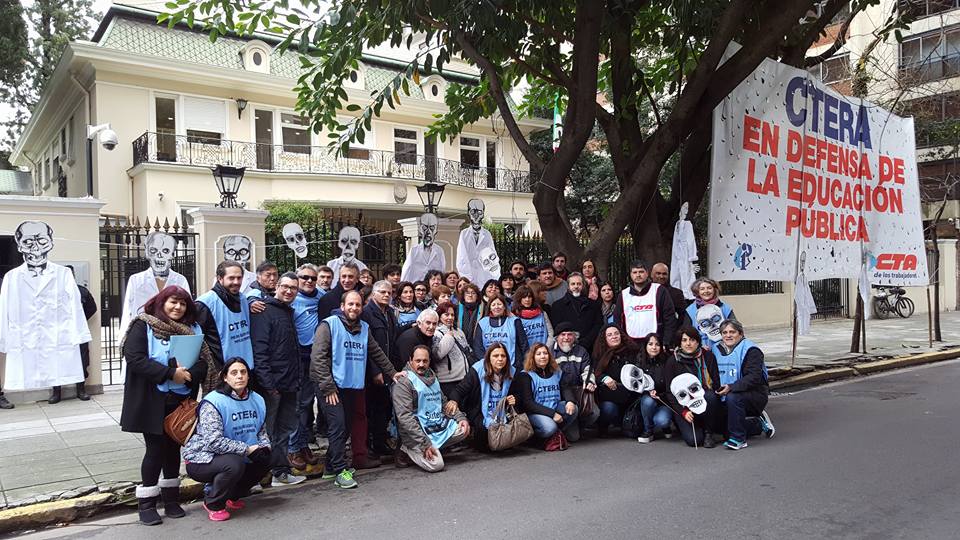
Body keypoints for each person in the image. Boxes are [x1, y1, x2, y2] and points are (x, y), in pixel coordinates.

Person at [120, 286, 210, 525]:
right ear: (162, 302)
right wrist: (170, 374)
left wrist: (190, 374)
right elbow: (135, 358)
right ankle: (147, 504)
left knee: (173, 450)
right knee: (155, 450)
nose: (178, 307)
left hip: (180, 401)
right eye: (173, 302)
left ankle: (171, 500)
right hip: (151, 400)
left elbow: (204, 361)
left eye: (183, 303)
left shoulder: (193, 328)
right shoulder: (143, 325)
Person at [310, 290, 402, 488]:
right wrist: (328, 387)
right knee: (338, 426)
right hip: (330, 385)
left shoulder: (364, 328)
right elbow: (318, 358)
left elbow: (376, 352)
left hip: (351, 384)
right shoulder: (328, 325)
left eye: (358, 305)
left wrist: (392, 373)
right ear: (342, 306)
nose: (354, 308)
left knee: (345, 427)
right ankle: (340, 470)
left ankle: (330, 466)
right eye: (350, 304)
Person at [182, 358, 271, 522]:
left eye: (243, 372)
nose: (239, 376)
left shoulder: (257, 399)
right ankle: (213, 502)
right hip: (202, 458)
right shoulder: (214, 401)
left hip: (239, 452)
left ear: (248, 376)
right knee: (234, 464)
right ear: (225, 377)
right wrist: (247, 449)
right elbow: (213, 442)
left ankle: (232, 495)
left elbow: (261, 431)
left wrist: (264, 447)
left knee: (269, 458)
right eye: (234, 373)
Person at [250, 273, 305, 486]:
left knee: (284, 430)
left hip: (290, 383)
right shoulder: (264, 310)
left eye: (293, 288)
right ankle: (255, 476)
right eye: (285, 286)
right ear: (277, 287)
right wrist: (269, 385)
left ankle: (280, 473)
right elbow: (260, 350)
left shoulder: (288, 311)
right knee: (267, 432)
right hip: (272, 385)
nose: (289, 291)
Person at [392, 345, 470, 471]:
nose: (421, 364)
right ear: (410, 360)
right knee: (437, 465)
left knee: (463, 429)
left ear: (429, 361)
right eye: (418, 361)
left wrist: (460, 418)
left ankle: (433, 447)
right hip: (416, 434)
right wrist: (424, 444)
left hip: (434, 426)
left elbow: (444, 403)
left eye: (425, 361)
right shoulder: (404, 382)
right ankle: (407, 448)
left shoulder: (432, 376)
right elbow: (405, 418)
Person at [714, 320, 774, 450]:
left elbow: (753, 377)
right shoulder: (716, 348)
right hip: (724, 394)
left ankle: (739, 439)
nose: (728, 335)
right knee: (723, 430)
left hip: (752, 394)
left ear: (741, 334)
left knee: (733, 397)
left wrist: (731, 387)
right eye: (724, 332)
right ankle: (756, 423)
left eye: (732, 332)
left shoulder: (751, 350)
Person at [119, 231, 191, 337]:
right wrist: (124, 338)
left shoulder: (180, 280)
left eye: (166, 251)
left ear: (172, 255)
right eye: (153, 250)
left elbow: (188, 309)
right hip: (142, 334)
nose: (159, 255)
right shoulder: (136, 280)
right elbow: (127, 311)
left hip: (172, 334)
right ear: (147, 253)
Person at [446, 343, 515, 452]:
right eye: (495, 356)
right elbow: (460, 390)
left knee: (507, 439)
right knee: (484, 437)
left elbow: (517, 394)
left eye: (503, 356)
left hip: (502, 411)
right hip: (480, 410)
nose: (500, 359)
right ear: (488, 358)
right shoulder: (477, 370)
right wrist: (454, 401)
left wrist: (512, 399)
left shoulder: (511, 371)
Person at [196, 261, 254, 390]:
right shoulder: (205, 303)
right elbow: (195, 341)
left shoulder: (243, 299)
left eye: (239, 278)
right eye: (231, 278)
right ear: (220, 278)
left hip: (245, 370)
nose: (236, 282)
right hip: (221, 374)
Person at [664, 326, 723, 448]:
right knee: (694, 440)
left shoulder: (708, 356)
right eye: (684, 340)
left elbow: (716, 383)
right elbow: (669, 393)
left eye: (692, 340)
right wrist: (683, 412)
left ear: (697, 341)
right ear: (680, 343)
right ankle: (689, 425)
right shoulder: (672, 362)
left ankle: (709, 432)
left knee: (710, 396)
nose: (688, 344)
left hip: (705, 402)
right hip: (684, 406)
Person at [288, 264, 323, 469]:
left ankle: (302, 445)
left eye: (313, 278)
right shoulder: (291, 298)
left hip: (315, 358)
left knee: (307, 404)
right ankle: (293, 448)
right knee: (297, 406)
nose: (309, 281)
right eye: (304, 277)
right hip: (296, 358)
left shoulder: (321, 296)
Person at [362, 280, 400, 458]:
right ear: (374, 294)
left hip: (388, 368)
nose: (386, 295)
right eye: (382, 292)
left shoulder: (390, 313)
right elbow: (367, 345)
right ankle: (369, 445)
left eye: (389, 293)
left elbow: (393, 339)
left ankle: (380, 441)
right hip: (372, 370)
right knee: (371, 409)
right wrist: (375, 370)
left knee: (384, 407)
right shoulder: (366, 313)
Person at [515, 343, 580, 446]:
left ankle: (556, 434)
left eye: (545, 353)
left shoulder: (557, 372)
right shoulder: (526, 375)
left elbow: (565, 388)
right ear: (532, 357)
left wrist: (570, 401)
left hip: (554, 407)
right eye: (538, 354)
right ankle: (536, 440)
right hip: (535, 413)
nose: (543, 356)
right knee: (549, 428)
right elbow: (528, 403)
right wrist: (552, 414)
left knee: (573, 409)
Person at [592, 324, 643, 437]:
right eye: (609, 335)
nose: (614, 337)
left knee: (632, 432)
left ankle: (627, 424)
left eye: (616, 333)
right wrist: (604, 378)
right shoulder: (600, 353)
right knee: (608, 409)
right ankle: (604, 426)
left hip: (630, 395)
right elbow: (595, 374)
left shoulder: (632, 351)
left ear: (621, 335)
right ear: (605, 338)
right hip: (610, 396)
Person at [614, 260, 678, 347]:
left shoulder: (659, 290)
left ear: (647, 273)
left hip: (656, 344)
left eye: (641, 272)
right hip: (630, 344)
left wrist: (666, 341)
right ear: (631, 274)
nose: (638, 275)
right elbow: (618, 321)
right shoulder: (623, 295)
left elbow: (669, 318)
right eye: (635, 272)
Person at [59, 265, 97, 402]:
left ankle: (81, 390)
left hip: (78, 331)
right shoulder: (54, 292)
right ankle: (56, 392)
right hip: (60, 333)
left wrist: (80, 320)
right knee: (57, 361)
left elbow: (92, 308)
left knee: (81, 360)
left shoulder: (82, 291)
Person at [551, 322, 598, 430]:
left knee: (594, 413)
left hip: (578, 391)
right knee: (572, 417)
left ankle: (579, 426)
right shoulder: (550, 352)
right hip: (559, 394)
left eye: (569, 334)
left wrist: (589, 381)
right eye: (563, 335)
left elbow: (587, 370)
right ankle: (563, 430)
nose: (566, 338)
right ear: (557, 337)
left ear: (575, 336)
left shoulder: (581, 351)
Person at [550, 272, 603, 351]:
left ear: (583, 285)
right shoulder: (557, 306)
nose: (576, 286)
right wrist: (571, 340)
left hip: (590, 347)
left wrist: (586, 341)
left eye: (579, 284)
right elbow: (557, 327)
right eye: (573, 284)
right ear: (568, 286)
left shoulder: (593, 305)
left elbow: (598, 325)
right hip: (566, 347)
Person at [474, 295, 528, 371]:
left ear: (504, 307)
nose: (496, 307)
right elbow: (478, 347)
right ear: (490, 308)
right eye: (493, 305)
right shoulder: (482, 323)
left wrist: (522, 364)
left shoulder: (514, 321)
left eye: (499, 304)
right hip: (489, 368)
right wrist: (488, 364)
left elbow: (524, 344)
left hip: (513, 367)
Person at [636, 333, 672, 444]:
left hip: (663, 400)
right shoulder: (640, 361)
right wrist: (647, 392)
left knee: (663, 421)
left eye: (657, 344)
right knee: (648, 401)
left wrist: (659, 395)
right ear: (645, 346)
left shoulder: (667, 361)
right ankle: (648, 430)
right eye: (650, 344)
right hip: (646, 400)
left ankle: (666, 427)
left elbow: (671, 386)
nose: (654, 347)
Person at [432, 301, 473, 396]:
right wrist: (448, 337)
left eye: (452, 315)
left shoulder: (458, 331)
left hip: (464, 378)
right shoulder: (436, 333)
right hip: (447, 381)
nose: (450, 317)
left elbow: (467, 349)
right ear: (439, 316)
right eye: (446, 315)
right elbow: (437, 355)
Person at [685, 278, 737, 350]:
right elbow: (687, 332)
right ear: (697, 291)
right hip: (701, 348)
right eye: (702, 289)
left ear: (714, 290)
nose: (706, 291)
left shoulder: (725, 308)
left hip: (725, 347)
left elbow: (735, 328)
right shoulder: (690, 310)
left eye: (709, 288)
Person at [512, 285, 554, 349]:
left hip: (544, 351)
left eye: (529, 297)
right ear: (519, 298)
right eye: (524, 297)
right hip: (527, 353)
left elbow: (551, 333)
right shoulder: (515, 317)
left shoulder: (542, 313)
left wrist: (546, 348)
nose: (527, 299)